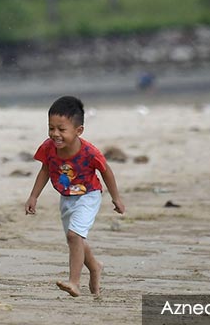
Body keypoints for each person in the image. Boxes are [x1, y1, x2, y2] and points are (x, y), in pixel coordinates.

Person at [25, 95, 125, 297]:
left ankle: (74, 282)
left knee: (73, 236)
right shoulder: (49, 147)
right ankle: (95, 267)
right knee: (76, 239)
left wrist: (116, 198)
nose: (55, 134)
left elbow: (106, 171)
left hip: (89, 195)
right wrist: (33, 196)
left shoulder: (89, 152)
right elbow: (45, 170)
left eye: (62, 130)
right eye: (51, 128)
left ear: (78, 131)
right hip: (67, 197)